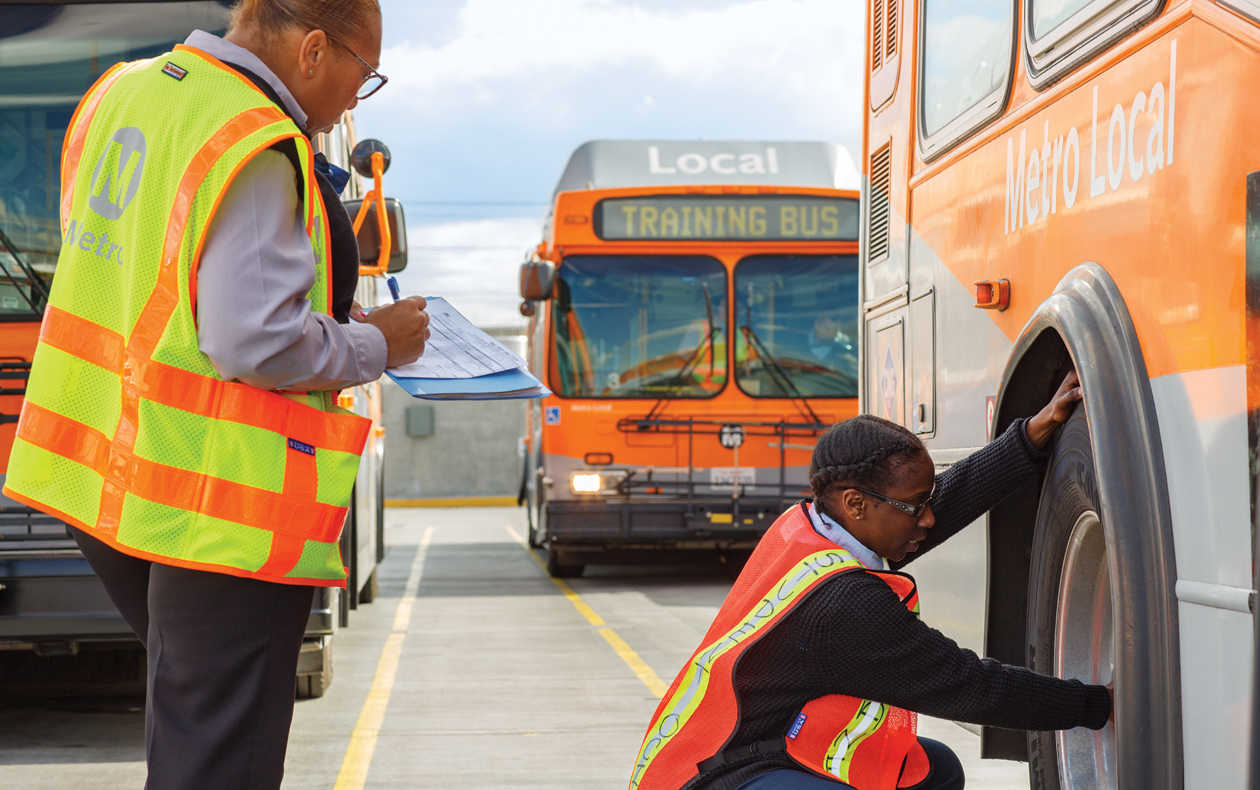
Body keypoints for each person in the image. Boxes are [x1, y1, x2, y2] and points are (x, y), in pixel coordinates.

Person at [2, 1, 429, 787]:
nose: (353, 101)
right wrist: (379, 344)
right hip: (216, 505)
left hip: (104, 479)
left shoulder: (121, 93)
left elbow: (151, 277)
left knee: (192, 729)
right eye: (361, 76)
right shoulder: (255, 138)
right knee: (217, 758)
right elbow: (255, 343)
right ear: (310, 50)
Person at [630, 371, 1112, 790]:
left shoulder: (807, 527)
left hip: (753, 745)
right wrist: (1099, 704)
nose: (928, 519)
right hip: (721, 774)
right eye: (916, 505)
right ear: (857, 505)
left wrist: (1028, 437)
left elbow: (941, 503)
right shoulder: (847, 606)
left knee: (934, 769)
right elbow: (970, 685)